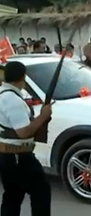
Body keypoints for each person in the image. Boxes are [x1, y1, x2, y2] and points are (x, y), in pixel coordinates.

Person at [0, 61, 53, 216]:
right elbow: (23, 132)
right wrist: (43, 117)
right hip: (19, 155)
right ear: (23, 76)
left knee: (12, 196)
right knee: (41, 191)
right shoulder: (13, 100)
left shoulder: (3, 94)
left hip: (8, 155)